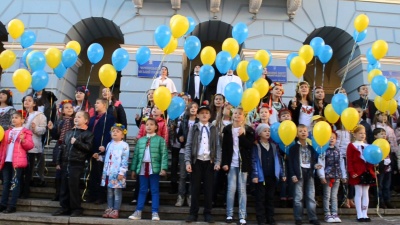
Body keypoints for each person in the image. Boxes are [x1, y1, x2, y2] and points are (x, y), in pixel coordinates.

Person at [52, 111, 94, 217]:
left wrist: (76, 142)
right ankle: (64, 207)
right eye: (75, 116)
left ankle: (76, 208)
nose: (76, 118)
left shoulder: (88, 134)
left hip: (77, 163)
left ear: (85, 120)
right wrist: (58, 161)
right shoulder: (69, 132)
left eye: (79, 117)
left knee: (73, 186)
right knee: (64, 186)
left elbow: (88, 148)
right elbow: (62, 147)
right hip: (66, 162)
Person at [184, 105, 221, 223]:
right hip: (197, 162)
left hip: (209, 162)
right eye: (202, 113)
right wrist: (188, 161)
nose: (204, 115)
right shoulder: (194, 128)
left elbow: (218, 146)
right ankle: (193, 213)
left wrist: (217, 161)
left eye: (206, 113)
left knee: (208, 189)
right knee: (195, 188)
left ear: (210, 116)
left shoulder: (214, 128)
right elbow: (188, 145)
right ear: (198, 115)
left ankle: (208, 213)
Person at [129, 118, 168, 221]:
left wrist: (163, 168)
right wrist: (133, 169)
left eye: (151, 124)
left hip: (154, 168)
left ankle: (155, 212)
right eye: (147, 124)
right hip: (142, 167)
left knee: (154, 190)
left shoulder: (160, 140)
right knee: (142, 190)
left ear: (156, 127)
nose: (149, 126)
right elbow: (136, 155)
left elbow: (164, 155)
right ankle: (138, 211)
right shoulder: (141, 140)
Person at [221, 107, 254, 225]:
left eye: (240, 114)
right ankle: (229, 214)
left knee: (242, 189)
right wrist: (224, 163)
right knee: (231, 189)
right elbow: (224, 148)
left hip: (242, 164)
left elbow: (249, 145)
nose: (237, 115)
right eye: (235, 113)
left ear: (243, 116)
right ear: (232, 115)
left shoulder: (248, 130)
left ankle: (242, 215)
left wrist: (241, 136)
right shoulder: (227, 129)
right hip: (231, 164)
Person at [0, 110, 34, 213]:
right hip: (6, 160)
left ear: (22, 120)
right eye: (13, 118)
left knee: (15, 183)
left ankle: (12, 205)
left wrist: (23, 140)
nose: (14, 119)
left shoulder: (26, 132)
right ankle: (3, 204)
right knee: (6, 183)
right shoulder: (7, 132)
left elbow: (30, 146)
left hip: (17, 161)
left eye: (16, 118)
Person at [288, 124, 321, 225]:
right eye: (300, 131)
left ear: (308, 133)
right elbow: (290, 163)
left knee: (311, 196)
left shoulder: (311, 148)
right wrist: (293, 174)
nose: (303, 132)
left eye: (305, 131)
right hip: (299, 174)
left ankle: (313, 217)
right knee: (298, 197)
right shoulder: (293, 148)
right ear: (297, 134)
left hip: (309, 173)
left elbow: (314, 160)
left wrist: (315, 165)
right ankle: (298, 218)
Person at [252, 124, 284, 225]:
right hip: (261, 177)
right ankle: (261, 219)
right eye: (265, 131)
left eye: (269, 131)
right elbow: (254, 161)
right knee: (260, 198)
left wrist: (282, 173)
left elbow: (279, 160)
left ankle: (270, 218)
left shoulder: (274, 146)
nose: (267, 133)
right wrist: (255, 175)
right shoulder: (256, 146)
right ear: (259, 133)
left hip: (271, 176)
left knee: (270, 198)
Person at [98, 124, 130, 219]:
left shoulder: (124, 145)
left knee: (117, 192)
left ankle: (116, 209)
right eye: (113, 131)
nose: (115, 132)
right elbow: (108, 158)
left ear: (122, 135)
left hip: (117, 173)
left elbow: (125, 160)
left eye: (118, 131)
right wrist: (100, 157)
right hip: (109, 172)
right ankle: (110, 208)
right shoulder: (109, 144)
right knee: (109, 192)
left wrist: (122, 172)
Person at [87, 98, 115, 204]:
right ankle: (92, 195)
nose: (95, 104)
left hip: (101, 149)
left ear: (104, 105)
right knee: (92, 173)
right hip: (91, 149)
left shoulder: (110, 118)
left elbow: (109, 133)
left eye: (97, 103)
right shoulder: (92, 118)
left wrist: (105, 146)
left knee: (100, 174)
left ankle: (101, 196)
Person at [347, 125, 375, 222]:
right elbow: (349, 160)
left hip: (366, 171)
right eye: (360, 133)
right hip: (357, 172)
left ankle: (365, 213)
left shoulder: (368, 146)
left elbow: (370, 159)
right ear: (355, 135)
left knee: (366, 192)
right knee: (358, 192)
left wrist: (373, 168)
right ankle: (359, 214)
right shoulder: (351, 146)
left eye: (364, 133)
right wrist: (351, 171)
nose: (363, 135)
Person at [48, 100, 75, 201]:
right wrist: (51, 129)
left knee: (66, 172)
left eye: (71, 107)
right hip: (59, 146)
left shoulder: (74, 121)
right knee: (58, 172)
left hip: (69, 147)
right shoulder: (59, 121)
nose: (69, 109)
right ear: (62, 111)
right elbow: (55, 136)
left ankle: (65, 194)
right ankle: (57, 193)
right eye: (66, 108)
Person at [21, 95, 47, 198]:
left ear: (34, 103)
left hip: (32, 146)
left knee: (28, 170)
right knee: (20, 171)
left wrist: (35, 128)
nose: (26, 102)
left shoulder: (40, 115)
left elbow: (43, 130)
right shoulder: (20, 114)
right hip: (20, 147)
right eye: (25, 100)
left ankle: (25, 191)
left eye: (29, 100)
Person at [317, 132, 347, 223]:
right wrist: (321, 176)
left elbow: (342, 164)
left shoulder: (338, 151)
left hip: (337, 176)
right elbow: (321, 164)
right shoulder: (323, 150)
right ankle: (327, 213)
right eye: (329, 137)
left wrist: (343, 175)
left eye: (333, 138)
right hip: (327, 177)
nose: (331, 139)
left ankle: (334, 213)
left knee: (334, 196)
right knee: (327, 195)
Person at [175, 102, 199, 207]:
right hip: (183, 150)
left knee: (193, 177)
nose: (193, 109)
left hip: (196, 152)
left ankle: (190, 196)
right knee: (183, 176)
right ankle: (180, 197)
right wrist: (180, 138)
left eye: (195, 107)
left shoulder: (199, 122)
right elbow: (179, 134)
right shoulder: (184, 121)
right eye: (191, 107)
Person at [373, 128, 395, 209]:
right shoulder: (375, 145)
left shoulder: (387, 143)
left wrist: (391, 163)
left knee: (387, 185)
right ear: (375, 136)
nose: (384, 135)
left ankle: (387, 200)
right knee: (380, 185)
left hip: (388, 168)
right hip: (380, 169)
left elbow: (390, 154)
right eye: (381, 134)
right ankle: (380, 201)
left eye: (384, 134)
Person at [277, 109, 293, 208]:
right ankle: (282, 197)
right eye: (283, 116)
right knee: (283, 177)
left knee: (291, 177)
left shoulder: (293, 127)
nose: (286, 117)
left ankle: (291, 197)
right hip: (280, 155)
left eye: (288, 115)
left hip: (291, 156)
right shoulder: (277, 127)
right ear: (279, 118)